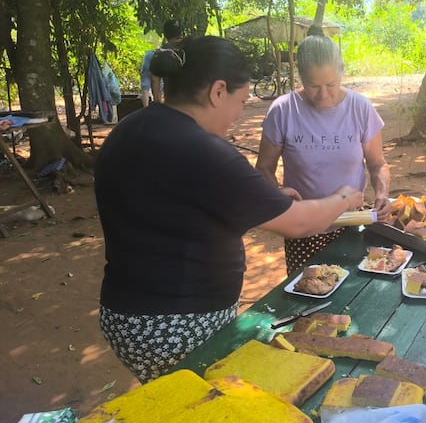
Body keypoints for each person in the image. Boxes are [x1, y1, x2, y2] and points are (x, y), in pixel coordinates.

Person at [94, 35, 364, 383]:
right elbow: (299, 224)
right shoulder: (203, 151)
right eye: (240, 101)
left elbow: (176, 207)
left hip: (125, 314)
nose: (238, 115)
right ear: (217, 91)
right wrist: (344, 197)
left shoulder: (131, 128)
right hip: (175, 325)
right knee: (208, 403)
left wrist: (263, 198)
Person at [256, 34, 391, 274]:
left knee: (353, 297)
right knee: (308, 297)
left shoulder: (360, 108)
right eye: (313, 86)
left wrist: (382, 193)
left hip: (352, 225)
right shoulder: (283, 110)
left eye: (331, 84)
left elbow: (377, 163)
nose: (324, 95)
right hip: (304, 228)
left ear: (342, 73)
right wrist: (277, 196)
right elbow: (264, 167)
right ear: (300, 78)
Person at [150, 19, 184, 103]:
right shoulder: (193, 47)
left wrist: (157, 102)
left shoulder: (162, 52)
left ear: (165, 34)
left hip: (172, 100)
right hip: (194, 102)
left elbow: (155, 80)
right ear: (181, 32)